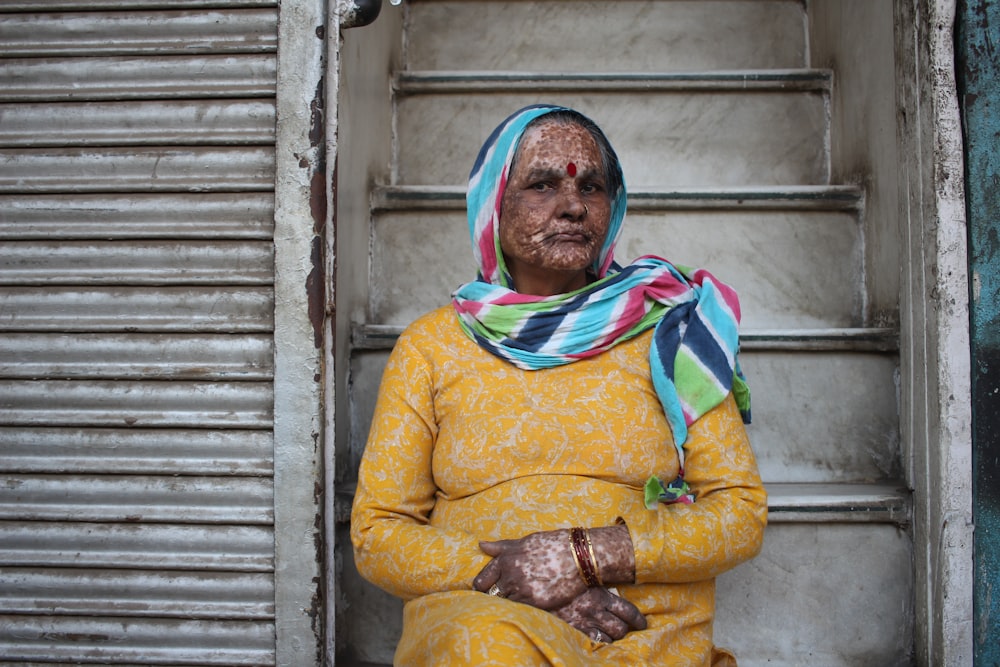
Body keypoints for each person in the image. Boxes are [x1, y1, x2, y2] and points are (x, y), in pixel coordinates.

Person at [351, 104, 767, 666]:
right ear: (494, 206)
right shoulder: (432, 346)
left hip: (640, 624)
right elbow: (379, 533)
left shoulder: (671, 332)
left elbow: (738, 513)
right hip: (483, 617)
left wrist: (587, 557)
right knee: (486, 649)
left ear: (612, 206)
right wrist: (515, 583)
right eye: (541, 185)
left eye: (591, 187)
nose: (573, 206)